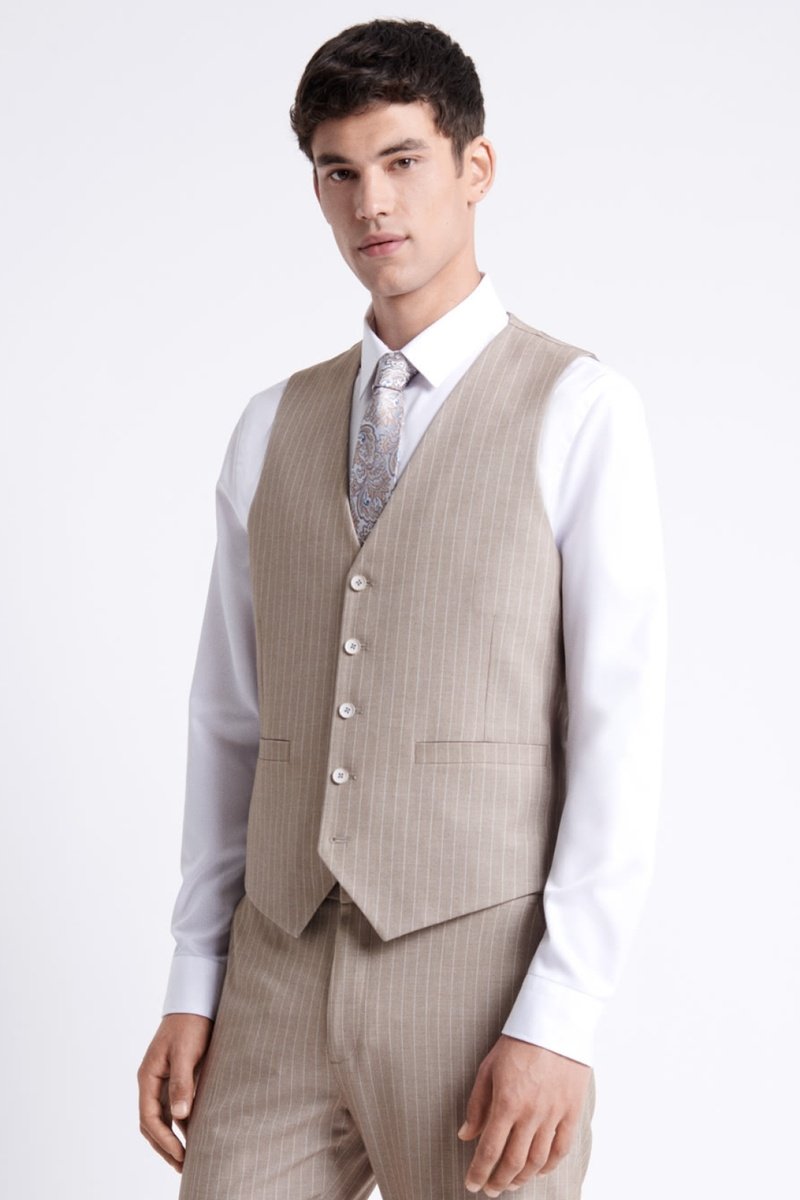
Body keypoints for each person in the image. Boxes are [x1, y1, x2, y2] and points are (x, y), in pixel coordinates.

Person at [137, 18, 667, 1200]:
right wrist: (192, 977)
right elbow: (231, 721)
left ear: (474, 167)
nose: (370, 202)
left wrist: (560, 1015)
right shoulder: (269, 424)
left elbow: (617, 730)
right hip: (273, 976)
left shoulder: (578, 408)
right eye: (338, 171)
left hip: (478, 980)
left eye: (401, 160)